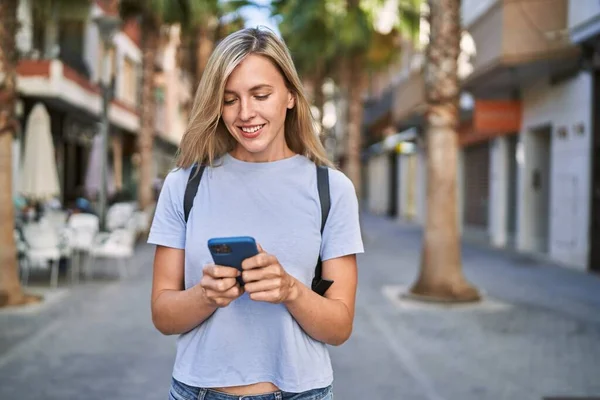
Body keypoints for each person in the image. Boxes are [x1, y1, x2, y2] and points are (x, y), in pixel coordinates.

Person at [148, 27, 363, 400]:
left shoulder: (332, 189)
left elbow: (340, 327)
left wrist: (290, 290)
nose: (246, 113)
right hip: (198, 391)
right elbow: (162, 315)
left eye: (260, 95)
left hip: (302, 392)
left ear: (291, 96)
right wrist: (205, 295)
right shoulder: (184, 185)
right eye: (229, 99)